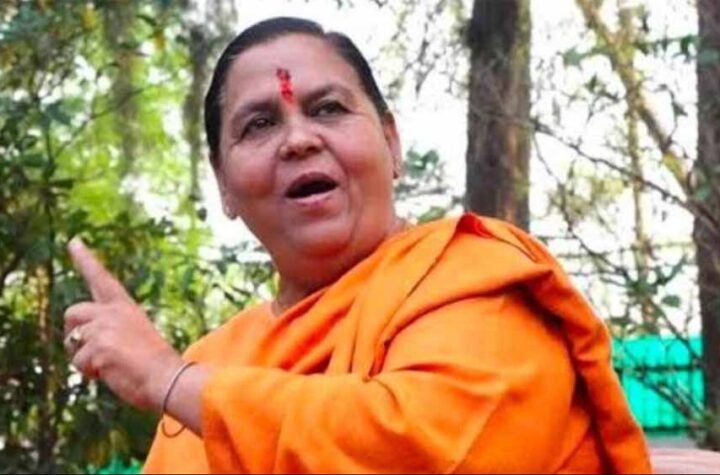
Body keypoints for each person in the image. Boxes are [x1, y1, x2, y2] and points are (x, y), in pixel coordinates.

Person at [63, 17, 652, 473]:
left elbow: (421, 450)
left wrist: (171, 381)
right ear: (223, 185)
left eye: (328, 109)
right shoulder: (217, 358)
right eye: (259, 124)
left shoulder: (479, 279)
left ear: (391, 144)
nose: (298, 139)